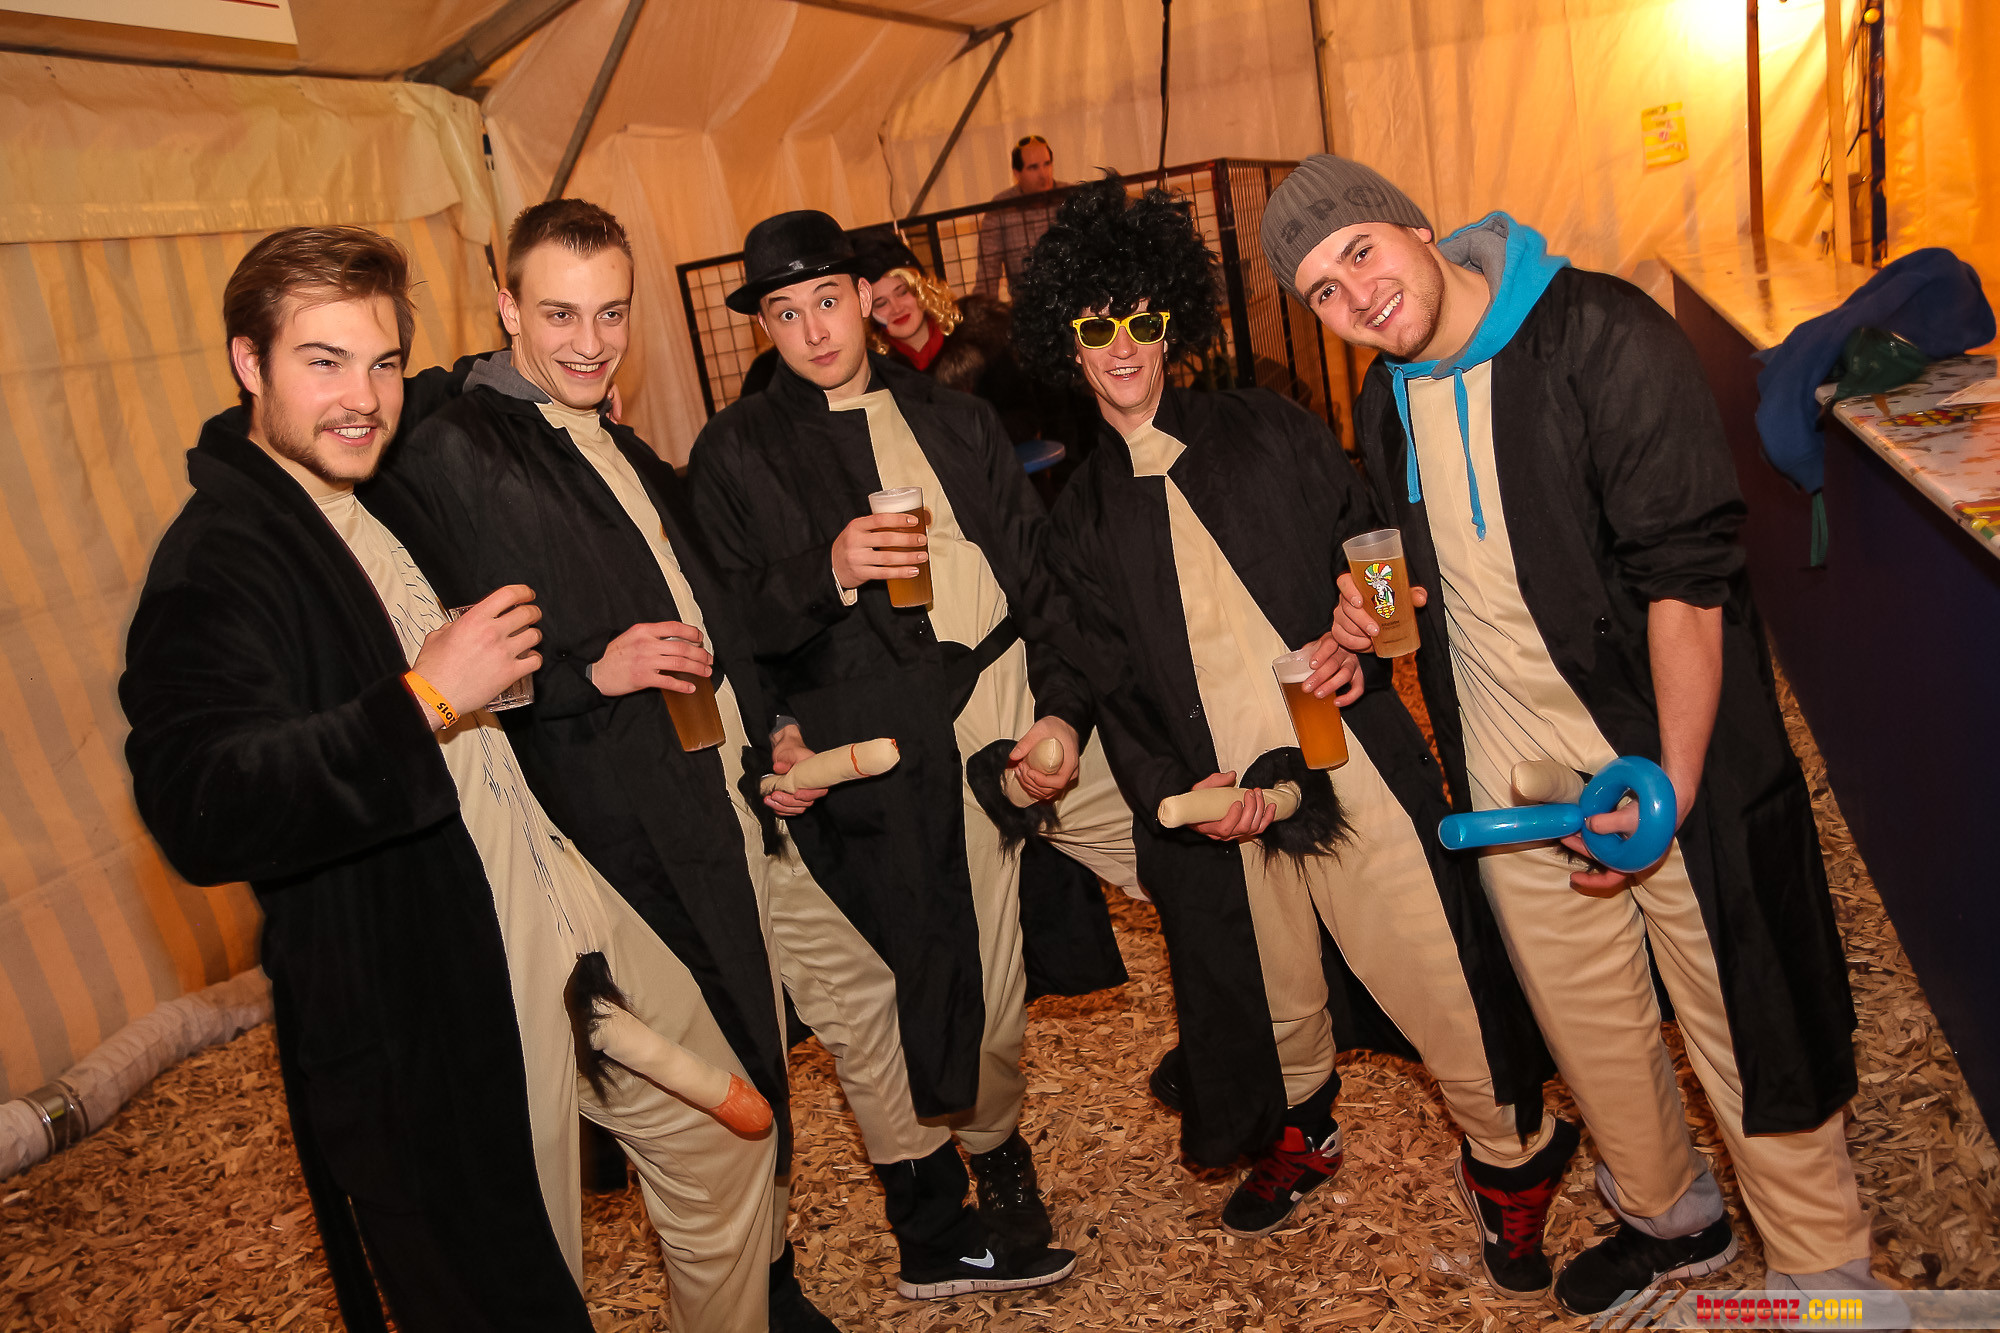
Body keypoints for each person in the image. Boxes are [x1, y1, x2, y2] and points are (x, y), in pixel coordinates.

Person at [120, 225, 780, 1333]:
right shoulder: (219, 564)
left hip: (564, 896)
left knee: (726, 1142)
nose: (362, 398)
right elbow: (203, 806)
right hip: (441, 973)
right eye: (323, 361)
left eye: (381, 361)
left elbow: (477, 382)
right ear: (248, 361)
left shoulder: (383, 491)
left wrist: (560, 363)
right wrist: (426, 696)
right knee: (511, 1282)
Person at [1262, 154, 1878, 1313]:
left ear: (1416, 226)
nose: (1355, 297)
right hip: (1511, 783)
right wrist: (1364, 628)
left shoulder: (1602, 335)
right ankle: (1669, 1217)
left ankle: (1821, 1270)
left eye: (1359, 251)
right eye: (1321, 292)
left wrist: (1669, 790)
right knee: (1587, 1027)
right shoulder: (1383, 402)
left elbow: (1686, 583)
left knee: (1740, 1014)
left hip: (1660, 749)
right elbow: (1442, 575)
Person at [1015, 180, 1566, 1284]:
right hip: (1217, 794)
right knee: (1264, 988)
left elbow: (1372, 538)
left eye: (1141, 321)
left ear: (1172, 326)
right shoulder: (1075, 515)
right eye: (1095, 327)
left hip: (1343, 751)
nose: (1122, 349)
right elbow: (1098, 673)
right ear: (1066, 345)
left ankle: (1512, 1155)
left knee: (1434, 959)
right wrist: (1163, 787)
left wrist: (1370, 633)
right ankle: (1300, 1133)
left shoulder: (1265, 425)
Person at [363, 200, 850, 1329]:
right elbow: (445, 653)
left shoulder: (609, 438)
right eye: (558, 315)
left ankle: (768, 1283)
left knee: (754, 1043)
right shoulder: (455, 448)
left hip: (708, 788)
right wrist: (595, 667)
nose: (590, 343)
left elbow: (703, 604)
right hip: (608, 830)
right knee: (703, 1094)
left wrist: (767, 722)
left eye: (611, 314)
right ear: (505, 308)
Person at [687, 209, 1141, 1301]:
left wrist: (1065, 707)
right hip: (892, 746)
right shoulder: (735, 452)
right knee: (966, 985)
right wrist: (829, 569)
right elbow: (731, 623)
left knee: (1172, 848)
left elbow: (1035, 571)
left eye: (827, 301)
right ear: (762, 327)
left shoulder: (951, 414)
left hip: (1011, 693)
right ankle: (993, 1160)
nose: (813, 330)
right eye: (784, 313)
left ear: (865, 297)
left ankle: (1261, 1067)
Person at [973, 134, 1068, 301]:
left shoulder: (1071, 198)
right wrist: (981, 311)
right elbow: (988, 270)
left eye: (1047, 164)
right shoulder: (1001, 208)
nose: (1043, 174)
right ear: (1017, 173)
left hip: (1072, 298)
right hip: (1027, 304)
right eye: (1033, 167)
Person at [853, 232, 960, 372]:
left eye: (903, 292)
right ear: (869, 316)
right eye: (881, 303)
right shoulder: (872, 373)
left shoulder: (979, 336)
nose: (897, 308)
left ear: (922, 290)